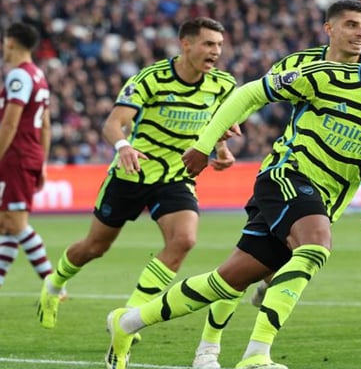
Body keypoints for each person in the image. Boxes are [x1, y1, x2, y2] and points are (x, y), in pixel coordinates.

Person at [103, 18, 361, 369]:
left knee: (227, 282)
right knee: (316, 246)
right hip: (287, 176)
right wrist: (205, 144)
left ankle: (127, 323)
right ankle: (256, 354)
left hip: (325, 199)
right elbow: (249, 93)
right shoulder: (327, 76)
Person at [191, 0, 361, 369]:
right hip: (288, 177)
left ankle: (247, 333)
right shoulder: (300, 64)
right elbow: (253, 94)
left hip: (333, 193)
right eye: (352, 25)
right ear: (330, 28)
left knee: (260, 268)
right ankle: (212, 349)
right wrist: (220, 135)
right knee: (244, 270)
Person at [36, 17, 239, 330]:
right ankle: (54, 283)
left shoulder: (223, 84)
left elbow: (217, 123)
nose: (216, 51)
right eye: (208, 44)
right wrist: (123, 146)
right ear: (186, 44)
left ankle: (128, 319)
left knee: (183, 240)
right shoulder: (151, 78)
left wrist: (222, 150)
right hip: (132, 173)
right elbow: (112, 124)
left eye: (219, 46)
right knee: (95, 247)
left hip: (175, 176)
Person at [0, 22, 55, 289]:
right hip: (29, 154)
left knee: (16, 222)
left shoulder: (18, 76)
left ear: (10, 42)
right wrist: (42, 162)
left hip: (16, 156)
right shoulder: (38, 76)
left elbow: (9, 123)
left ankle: (54, 284)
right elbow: (45, 124)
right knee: (4, 223)